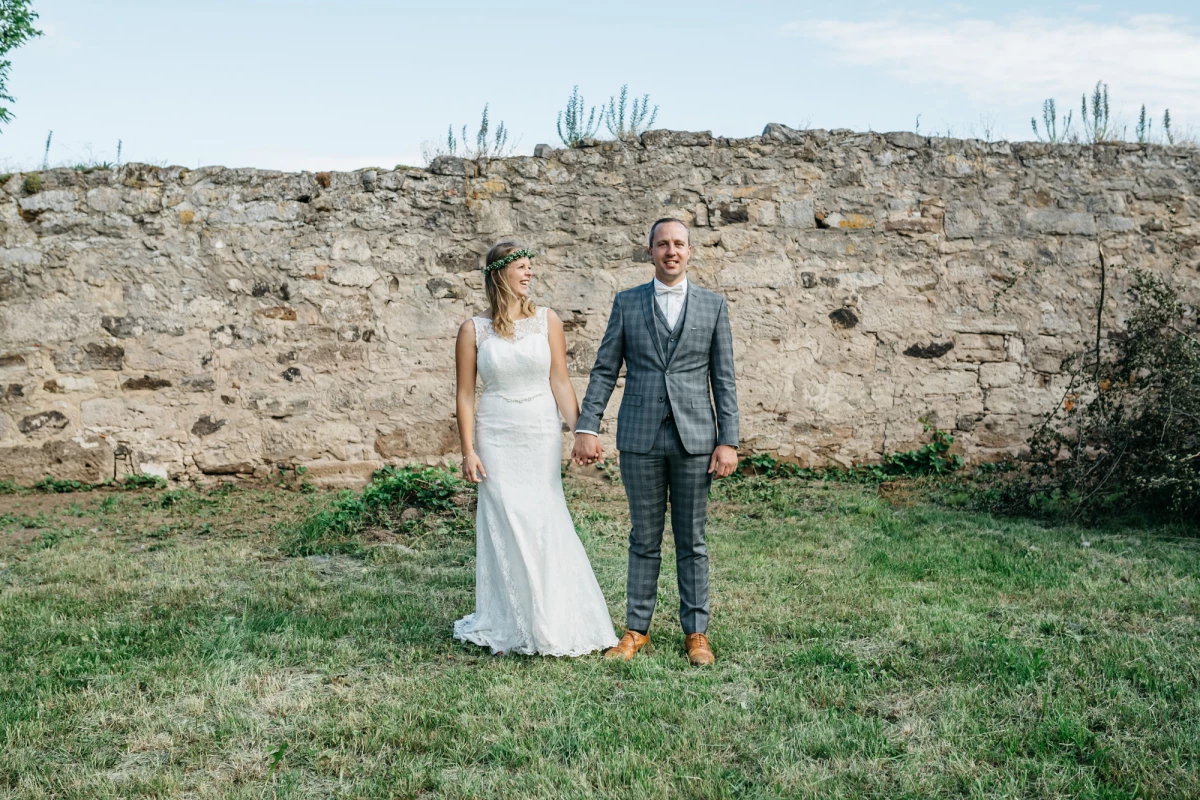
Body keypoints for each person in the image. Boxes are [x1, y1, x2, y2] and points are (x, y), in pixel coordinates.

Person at [571, 218, 739, 666]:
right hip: (640, 436)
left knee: (692, 538)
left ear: (689, 251)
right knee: (643, 538)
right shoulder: (627, 304)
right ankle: (636, 630)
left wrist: (730, 441)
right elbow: (605, 369)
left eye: (679, 244)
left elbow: (724, 380)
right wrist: (588, 425)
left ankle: (696, 632)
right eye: (663, 244)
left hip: (696, 439)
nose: (671, 251)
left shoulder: (713, 306)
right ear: (650, 252)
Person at [452, 241, 618, 657]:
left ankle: (552, 615)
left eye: (531, 268)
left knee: (543, 514)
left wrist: (584, 430)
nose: (529, 275)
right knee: (505, 516)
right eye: (522, 268)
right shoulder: (474, 329)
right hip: (495, 432)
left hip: (539, 429)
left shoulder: (548, 321)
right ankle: (511, 617)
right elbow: (466, 395)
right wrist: (468, 449)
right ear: (500, 274)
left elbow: (560, 380)